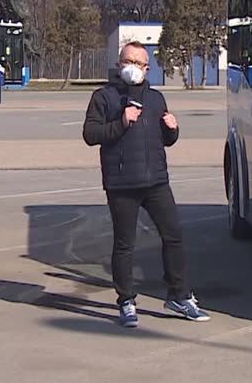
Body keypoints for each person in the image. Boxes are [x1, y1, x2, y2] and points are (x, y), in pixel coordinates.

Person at [82, 42, 210, 328]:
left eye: (138, 63)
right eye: (128, 61)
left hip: (156, 182)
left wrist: (173, 129)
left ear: (147, 68)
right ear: (118, 65)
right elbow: (90, 134)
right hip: (121, 183)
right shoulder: (104, 97)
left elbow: (165, 140)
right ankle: (126, 301)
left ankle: (179, 295)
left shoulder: (156, 99)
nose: (133, 68)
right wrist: (121, 122)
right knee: (125, 244)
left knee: (173, 235)